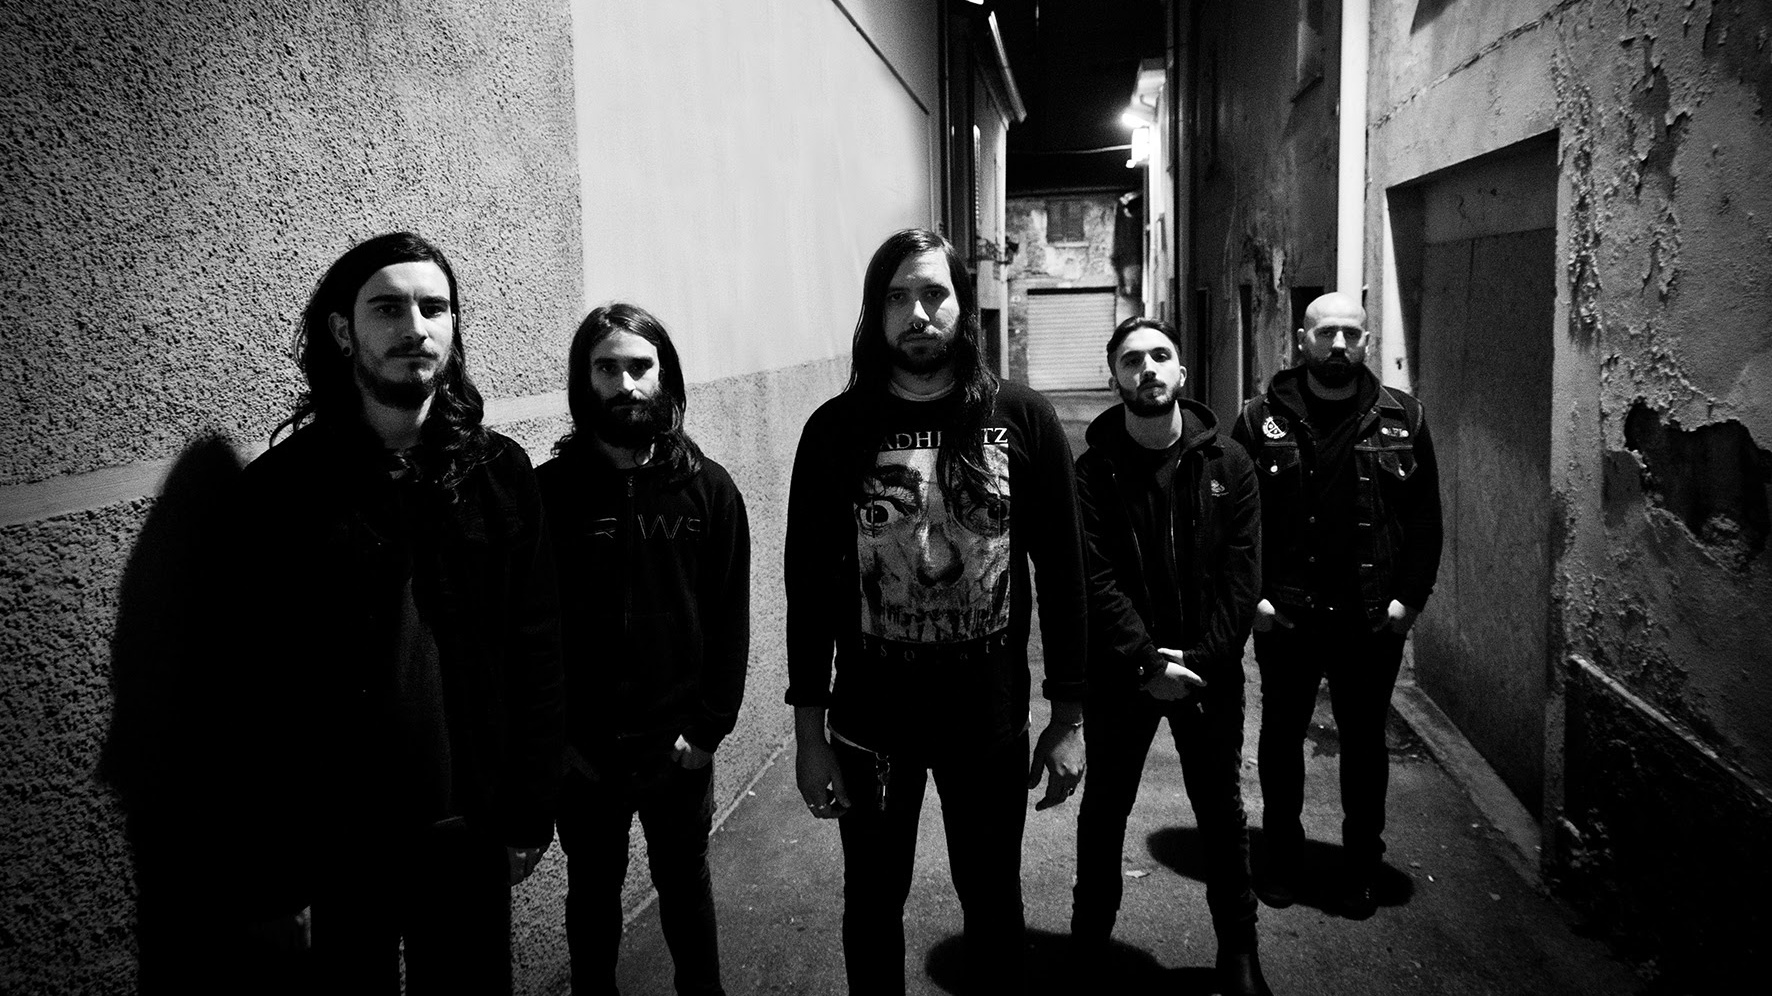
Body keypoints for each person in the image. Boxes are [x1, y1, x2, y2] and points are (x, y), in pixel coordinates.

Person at [229, 231, 566, 993]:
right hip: (340, 842)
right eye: (388, 308)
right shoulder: (281, 493)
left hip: (470, 825)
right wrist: (272, 873)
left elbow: (538, 648)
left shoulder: (500, 473)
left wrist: (530, 809)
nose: (415, 328)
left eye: (434, 308)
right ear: (343, 329)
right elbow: (250, 694)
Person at [784, 228, 1088, 994]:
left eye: (933, 294)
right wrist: (809, 735)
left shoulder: (1023, 419)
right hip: (869, 727)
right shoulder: (835, 432)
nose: (917, 313)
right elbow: (809, 590)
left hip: (987, 723)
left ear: (962, 304)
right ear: (875, 312)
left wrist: (1068, 718)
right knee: (871, 903)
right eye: (897, 297)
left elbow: (1066, 576)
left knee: (992, 904)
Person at [537, 303, 750, 996]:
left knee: (685, 888)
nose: (626, 384)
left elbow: (729, 620)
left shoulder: (709, 491)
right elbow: (532, 630)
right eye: (607, 368)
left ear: (665, 376)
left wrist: (709, 728)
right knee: (592, 896)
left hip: (677, 750)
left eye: (640, 366)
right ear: (584, 381)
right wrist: (558, 741)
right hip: (584, 757)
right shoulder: (547, 494)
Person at [1071, 317, 1271, 994]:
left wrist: (1203, 664)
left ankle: (1238, 953)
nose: (1147, 369)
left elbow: (1243, 577)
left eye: (1160, 356)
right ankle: (1089, 948)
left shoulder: (1230, 464)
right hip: (1123, 672)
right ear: (1115, 380)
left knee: (1220, 811)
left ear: (1182, 372)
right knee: (1105, 811)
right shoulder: (1092, 472)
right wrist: (1148, 665)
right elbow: (1095, 578)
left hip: (1208, 670)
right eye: (1132, 361)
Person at [1231, 291, 1443, 920]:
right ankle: (1282, 857)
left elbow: (1425, 519)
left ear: (1367, 342)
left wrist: (1409, 601)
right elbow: (1236, 520)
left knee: (1365, 746)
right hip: (1286, 615)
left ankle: (1361, 867)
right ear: (1303, 340)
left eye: (1352, 334)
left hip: (1369, 618)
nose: (1340, 345)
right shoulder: (1258, 419)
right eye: (1327, 333)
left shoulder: (1405, 418)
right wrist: (1253, 599)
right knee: (1280, 739)